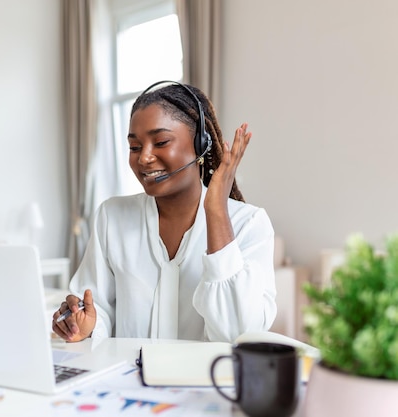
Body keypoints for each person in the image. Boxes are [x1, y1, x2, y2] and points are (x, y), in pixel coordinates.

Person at [52, 81, 276, 343]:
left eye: (160, 142)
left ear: (200, 144)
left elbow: (239, 336)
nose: (144, 158)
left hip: (205, 382)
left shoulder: (248, 224)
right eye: (135, 147)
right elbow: (97, 305)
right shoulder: (112, 217)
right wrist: (86, 324)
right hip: (126, 381)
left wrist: (216, 211)